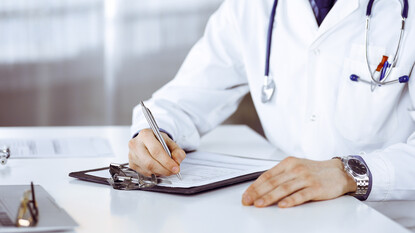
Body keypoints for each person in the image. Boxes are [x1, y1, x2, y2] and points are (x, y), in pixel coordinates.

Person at [128, 0, 415, 208]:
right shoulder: (250, 8)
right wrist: (155, 134)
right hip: (286, 210)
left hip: (388, 217)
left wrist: (348, 173)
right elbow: (186, 96)